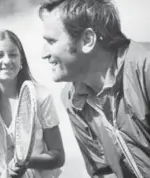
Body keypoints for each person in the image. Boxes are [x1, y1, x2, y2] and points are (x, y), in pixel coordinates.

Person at [39, 0, 150, 177]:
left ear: (87, 40)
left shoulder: (145, 66)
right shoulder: (72, 99)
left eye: (51, 41)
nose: (43, 53)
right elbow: (103, 172)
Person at [0, 30, 65, 178]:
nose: (7, 60)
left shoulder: (40, 96)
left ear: (21, 62)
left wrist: (25, 161)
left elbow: (58, 156)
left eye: (13, 54)